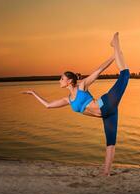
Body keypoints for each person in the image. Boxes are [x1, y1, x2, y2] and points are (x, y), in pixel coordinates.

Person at [21, 32, 130, 176]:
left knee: (125, 74)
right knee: (110, 143)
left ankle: (115, 42)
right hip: (108, 115)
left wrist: (112, 56)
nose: (59, 81)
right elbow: (48, 105)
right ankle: (106, 173)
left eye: (61, 78)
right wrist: (34, 93)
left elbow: (99, 70)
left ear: (70, 81)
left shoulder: (82, 86)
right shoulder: (68, 100)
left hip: (106, 103)